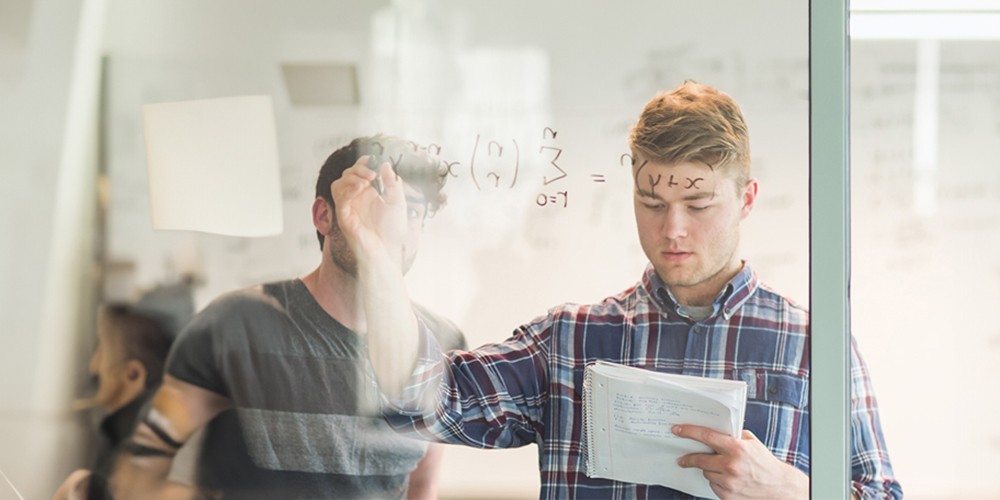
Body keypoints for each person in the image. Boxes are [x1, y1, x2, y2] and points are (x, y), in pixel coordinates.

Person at [335, 82, 903, 499]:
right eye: (652, 203)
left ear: (746, 199)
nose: (672, 229)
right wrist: (377, 258)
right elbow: (416, 399)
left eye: (698, 204)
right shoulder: (571, 339)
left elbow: (881, 494)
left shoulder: (814, 345)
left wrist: (789, 491)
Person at [109, 135, 467, 499]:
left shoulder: (440, 344)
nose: (390, 224)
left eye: (411, 212)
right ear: (324, 215)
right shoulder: (236, 325)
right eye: (372, 201)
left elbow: (423, 486)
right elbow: (138, 472)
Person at [53, 304, 176, 500]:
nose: (93, 367)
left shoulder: (139, 453)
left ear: (132, 374)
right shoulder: (137, 436)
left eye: (101, 351)